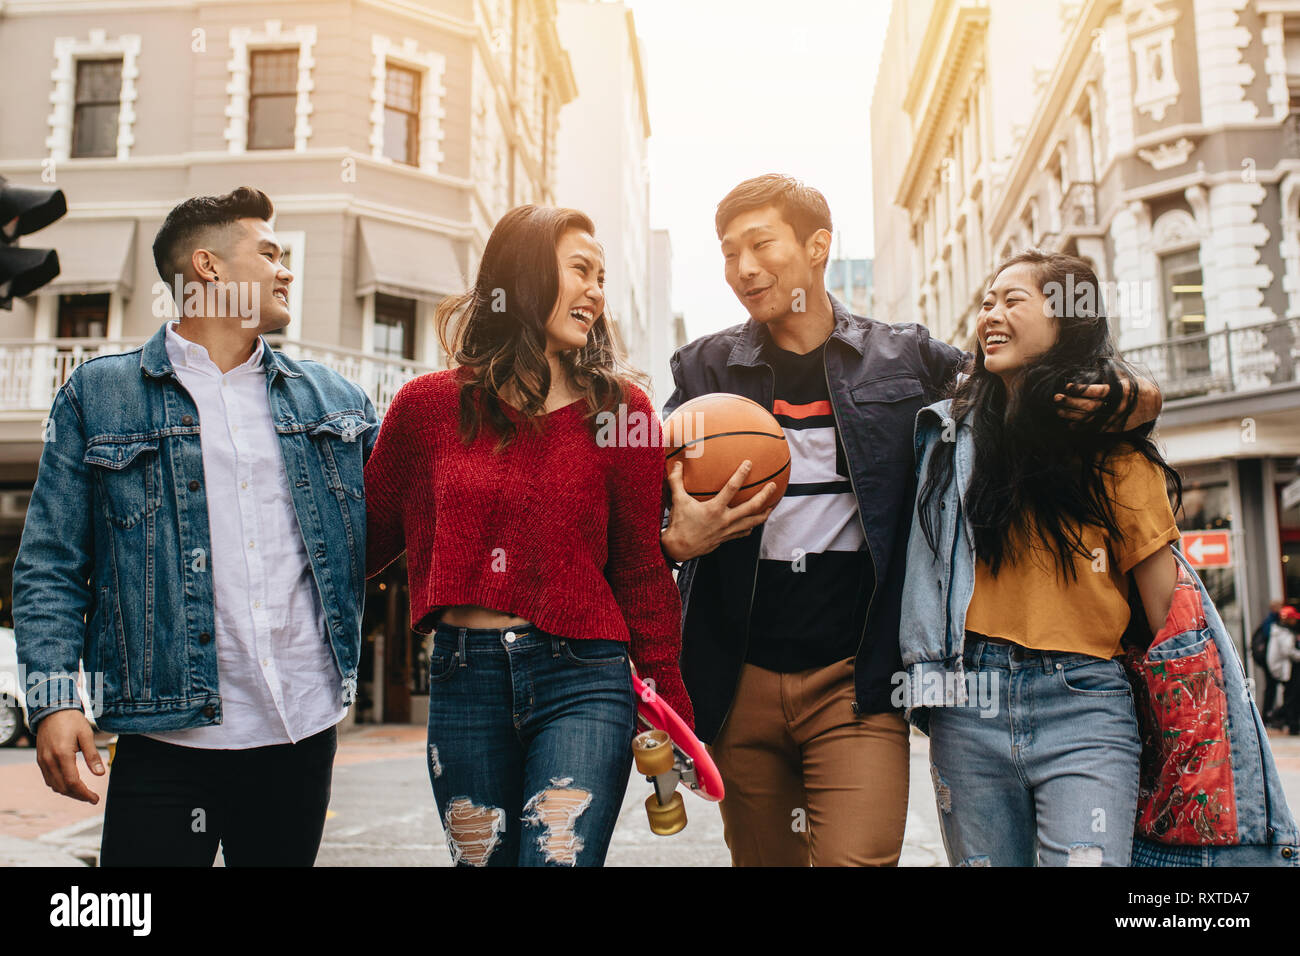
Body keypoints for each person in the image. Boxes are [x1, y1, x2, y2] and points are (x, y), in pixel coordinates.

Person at [659, 175, 1163, 866]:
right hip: (738, 675)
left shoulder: (905, 357)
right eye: (727, 252)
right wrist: (675, 540)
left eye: (760, 244)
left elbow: (1007, 389)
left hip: (857, 679)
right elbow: (644, 501)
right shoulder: (704, 367)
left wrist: (1135, 395)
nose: (742, 268)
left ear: (817, 246)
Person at [13, 186, 376, 866]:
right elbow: (50, 566)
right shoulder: (98, 396)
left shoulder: (337, 400)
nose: (286, 269)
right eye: (269, 253)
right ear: (208, 268)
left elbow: (392, 527)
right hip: (165, 739)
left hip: (300, 730)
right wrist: (53, 699)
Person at [364, 204, 688, 867]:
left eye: (602, 276)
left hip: (586, 677)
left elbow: (638, 571)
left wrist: (671, 708)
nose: (597, 292)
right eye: (580, 270)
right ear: (524, 273)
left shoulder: (622, 413)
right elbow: (354, 549)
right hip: (462, 676)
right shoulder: (425, 409)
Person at [900, 251, 1183, 866]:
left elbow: (1169, 616)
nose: (991, 315)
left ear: (1067, 318)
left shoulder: (1117, 455)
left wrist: (1193, 725)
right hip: (966, 704)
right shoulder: (949, 442)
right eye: (986, 302)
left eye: (1013, 300)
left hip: (1085, 704)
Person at [1267, 605, 1300, 734]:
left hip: (1284, 668)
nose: (1296, 621)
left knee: (1290, 696)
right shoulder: (1283, 633)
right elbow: (1288, 651)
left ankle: (1288, 722)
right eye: (1294, 619)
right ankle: (1278, 716)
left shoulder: (1280, 631)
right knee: (1292, 697)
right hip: (1286, 669)